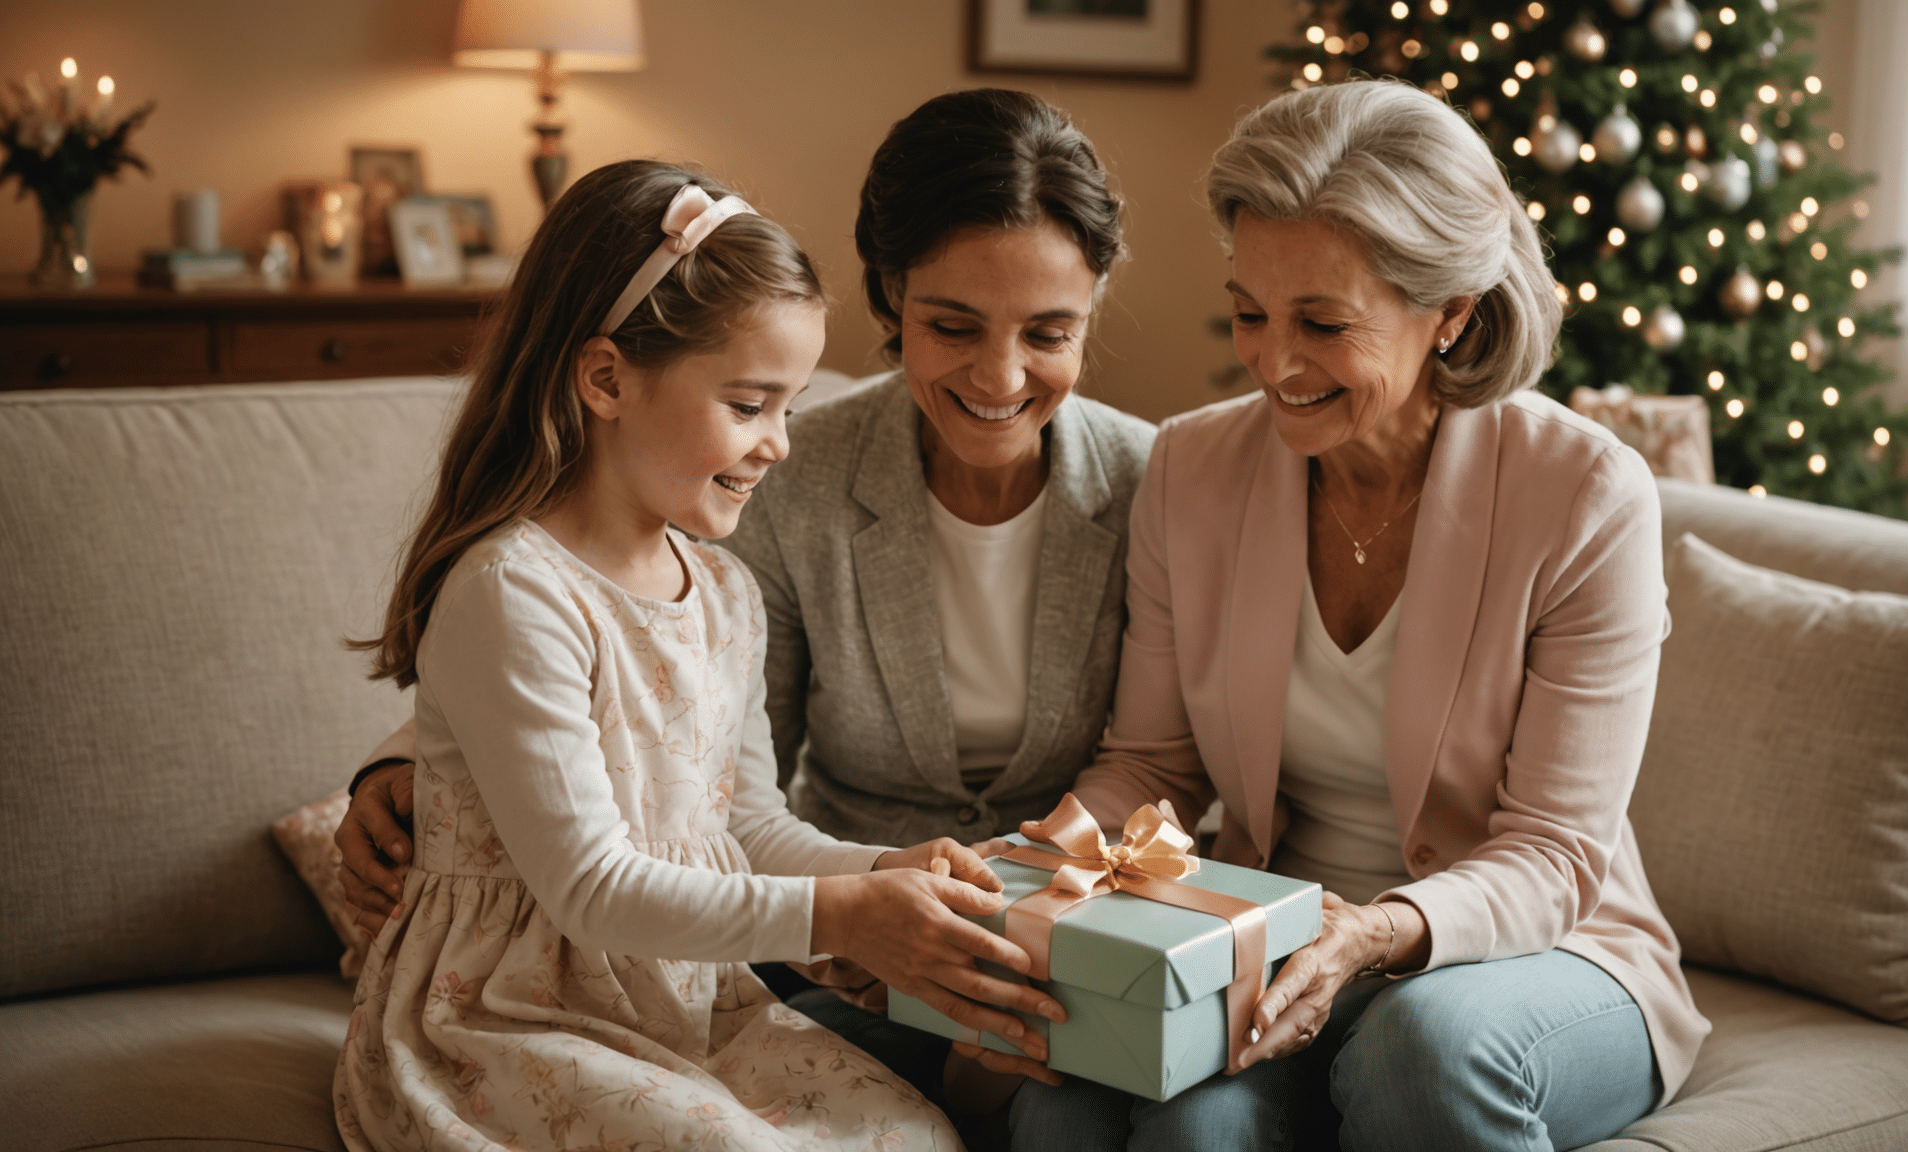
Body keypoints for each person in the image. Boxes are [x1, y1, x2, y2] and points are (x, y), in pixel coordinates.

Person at [335, 90, 1149, 1112]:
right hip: (583, 987)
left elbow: (737, 809)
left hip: (790, 946)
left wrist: (891, 878)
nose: (1001, 372)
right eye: (953, 324)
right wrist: (395, 765)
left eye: (1050, 331)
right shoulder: (740, 515)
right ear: (894, 300)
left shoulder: (1151, 483)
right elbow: (571, 747)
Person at [1006, 80, 1710, 1151]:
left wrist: (1378, 932)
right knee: (1123, 1116)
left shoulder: (1583, 494)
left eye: (1324, 324)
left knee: (1422, 1045)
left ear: (1452, 314)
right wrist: (1033, 862)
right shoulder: (1195, 466)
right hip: (1285, 943)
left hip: (1541, 952)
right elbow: (1153, 765)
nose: (1272, 364)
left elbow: (1558, 852)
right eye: (1249, 313)